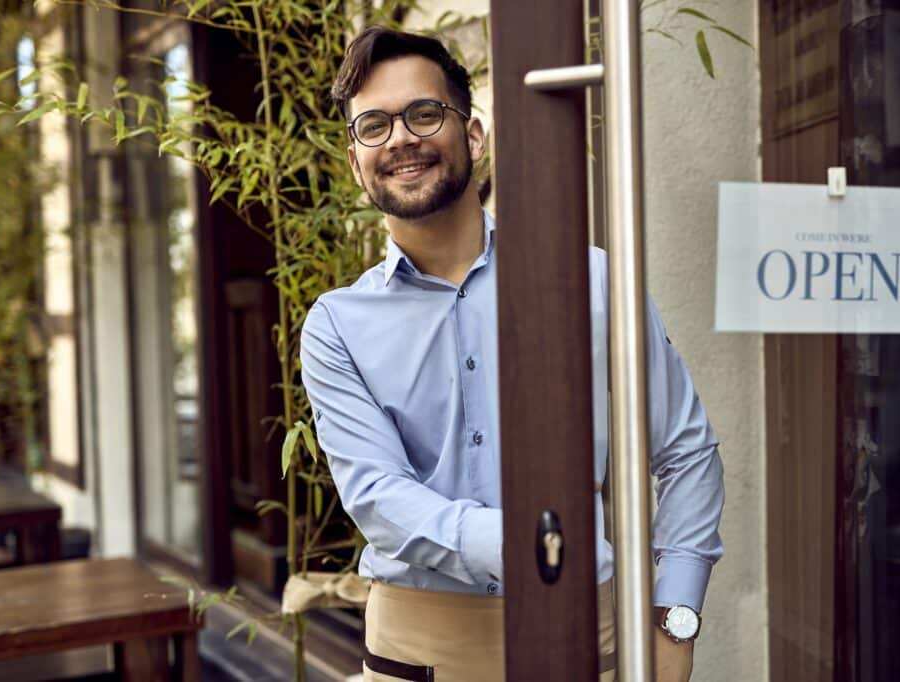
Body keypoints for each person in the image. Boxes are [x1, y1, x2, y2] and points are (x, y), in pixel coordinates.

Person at [299, 26, 724, 682]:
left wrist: (676, 618)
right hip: (418, 650)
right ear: (356, 161)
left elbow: (686, 450)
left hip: (584, 636)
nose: (402, 140)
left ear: (473, 134)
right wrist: (536, 544)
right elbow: (380, 498)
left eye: (423, 114)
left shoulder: (590, 281)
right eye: (373, 126)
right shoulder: (336, 326)